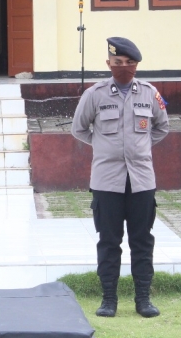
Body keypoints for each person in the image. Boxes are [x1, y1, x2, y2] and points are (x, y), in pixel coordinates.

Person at [71, 37, 169, 319]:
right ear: (108, 64)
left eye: (128, 63)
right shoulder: (95, 94)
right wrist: (103, 145)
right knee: (109, 241)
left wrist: (140, 148)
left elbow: (162, 127)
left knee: (142, 240)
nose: (123, 68)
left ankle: (143, 299)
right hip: (107, 181)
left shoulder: (150, 93)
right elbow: (79, 128)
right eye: (118, 63)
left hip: (141, 181)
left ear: (136, 65)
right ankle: (109, 299)